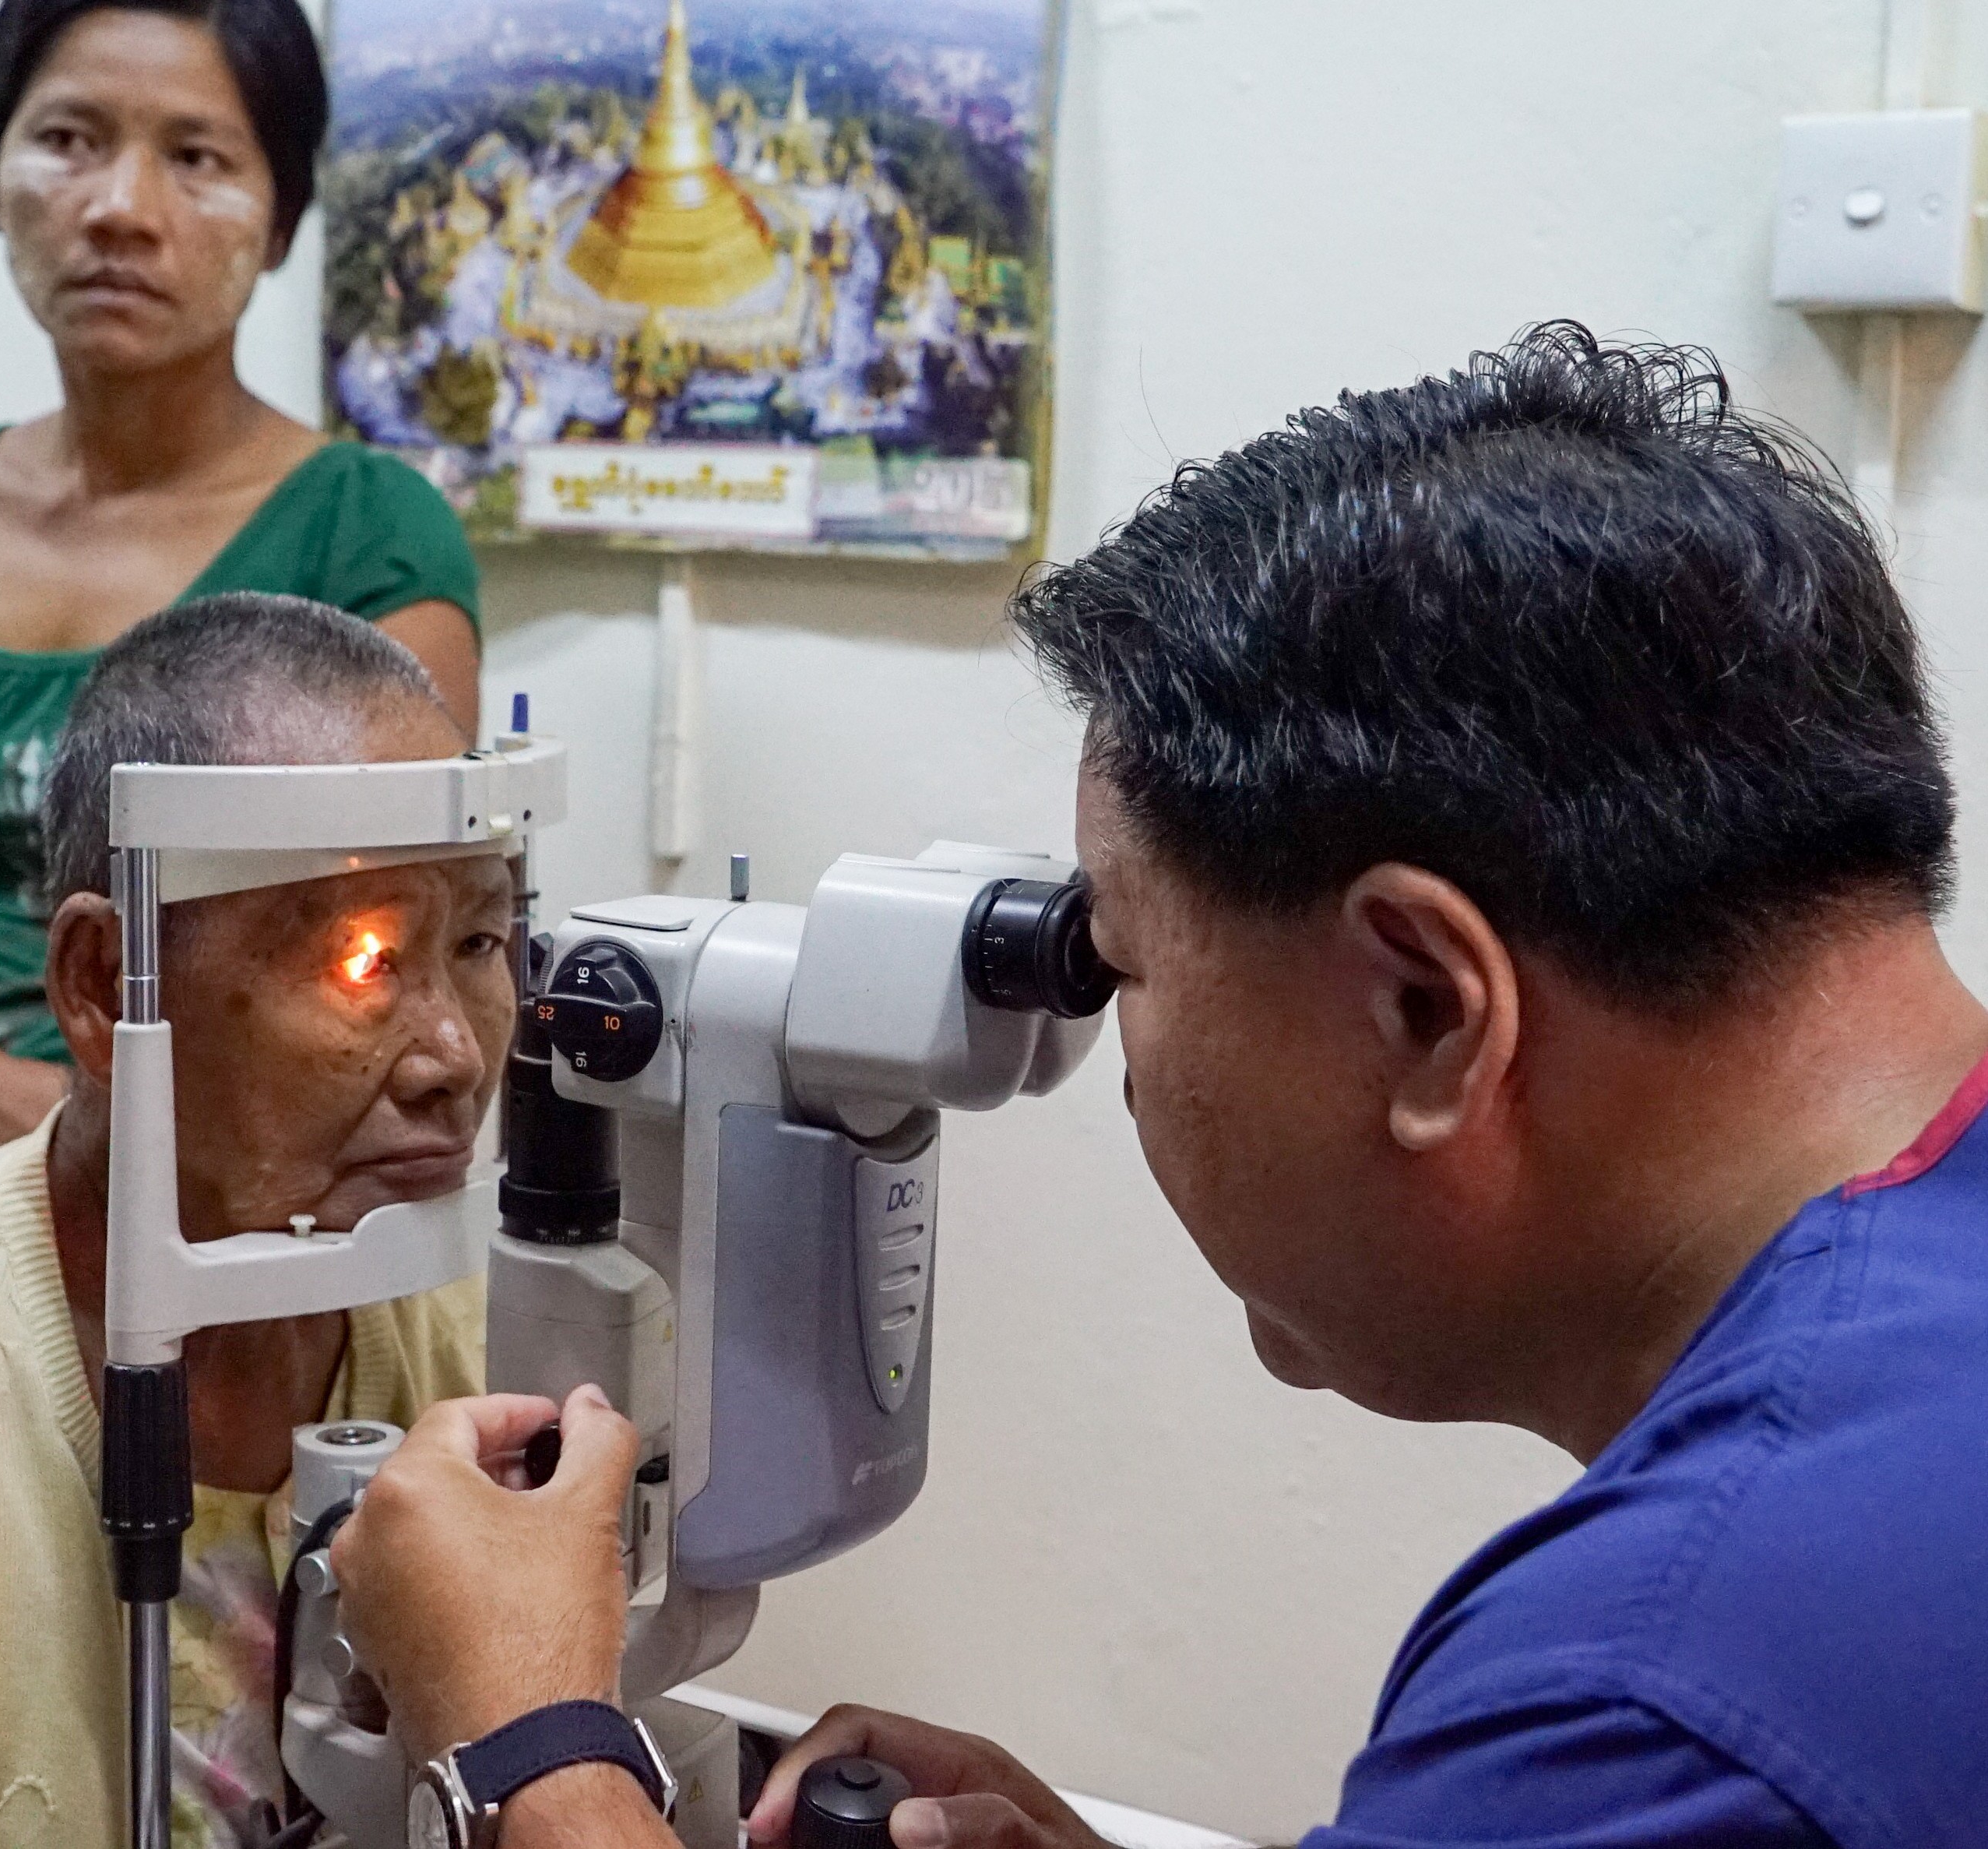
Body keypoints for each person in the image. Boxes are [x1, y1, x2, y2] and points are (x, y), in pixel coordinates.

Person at [325, 326, 1988, 1848]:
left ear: (1426, 1005)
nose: (1116, 1072)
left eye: (1117, 962)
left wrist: (526, 1737)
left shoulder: (1658, 1691)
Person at [0, 596, 512, 1848]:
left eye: (481, 938)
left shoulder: (487, 1333)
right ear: (100, 982)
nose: (454, 1055)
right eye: (361, 960)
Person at [0, 0, 484, 1244]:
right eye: (68, 139)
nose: (120, 208)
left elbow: (408, 935)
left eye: (196, 156)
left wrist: (119, 1139)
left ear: (281, 218)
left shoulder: (368, 532)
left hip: (232, 1235)